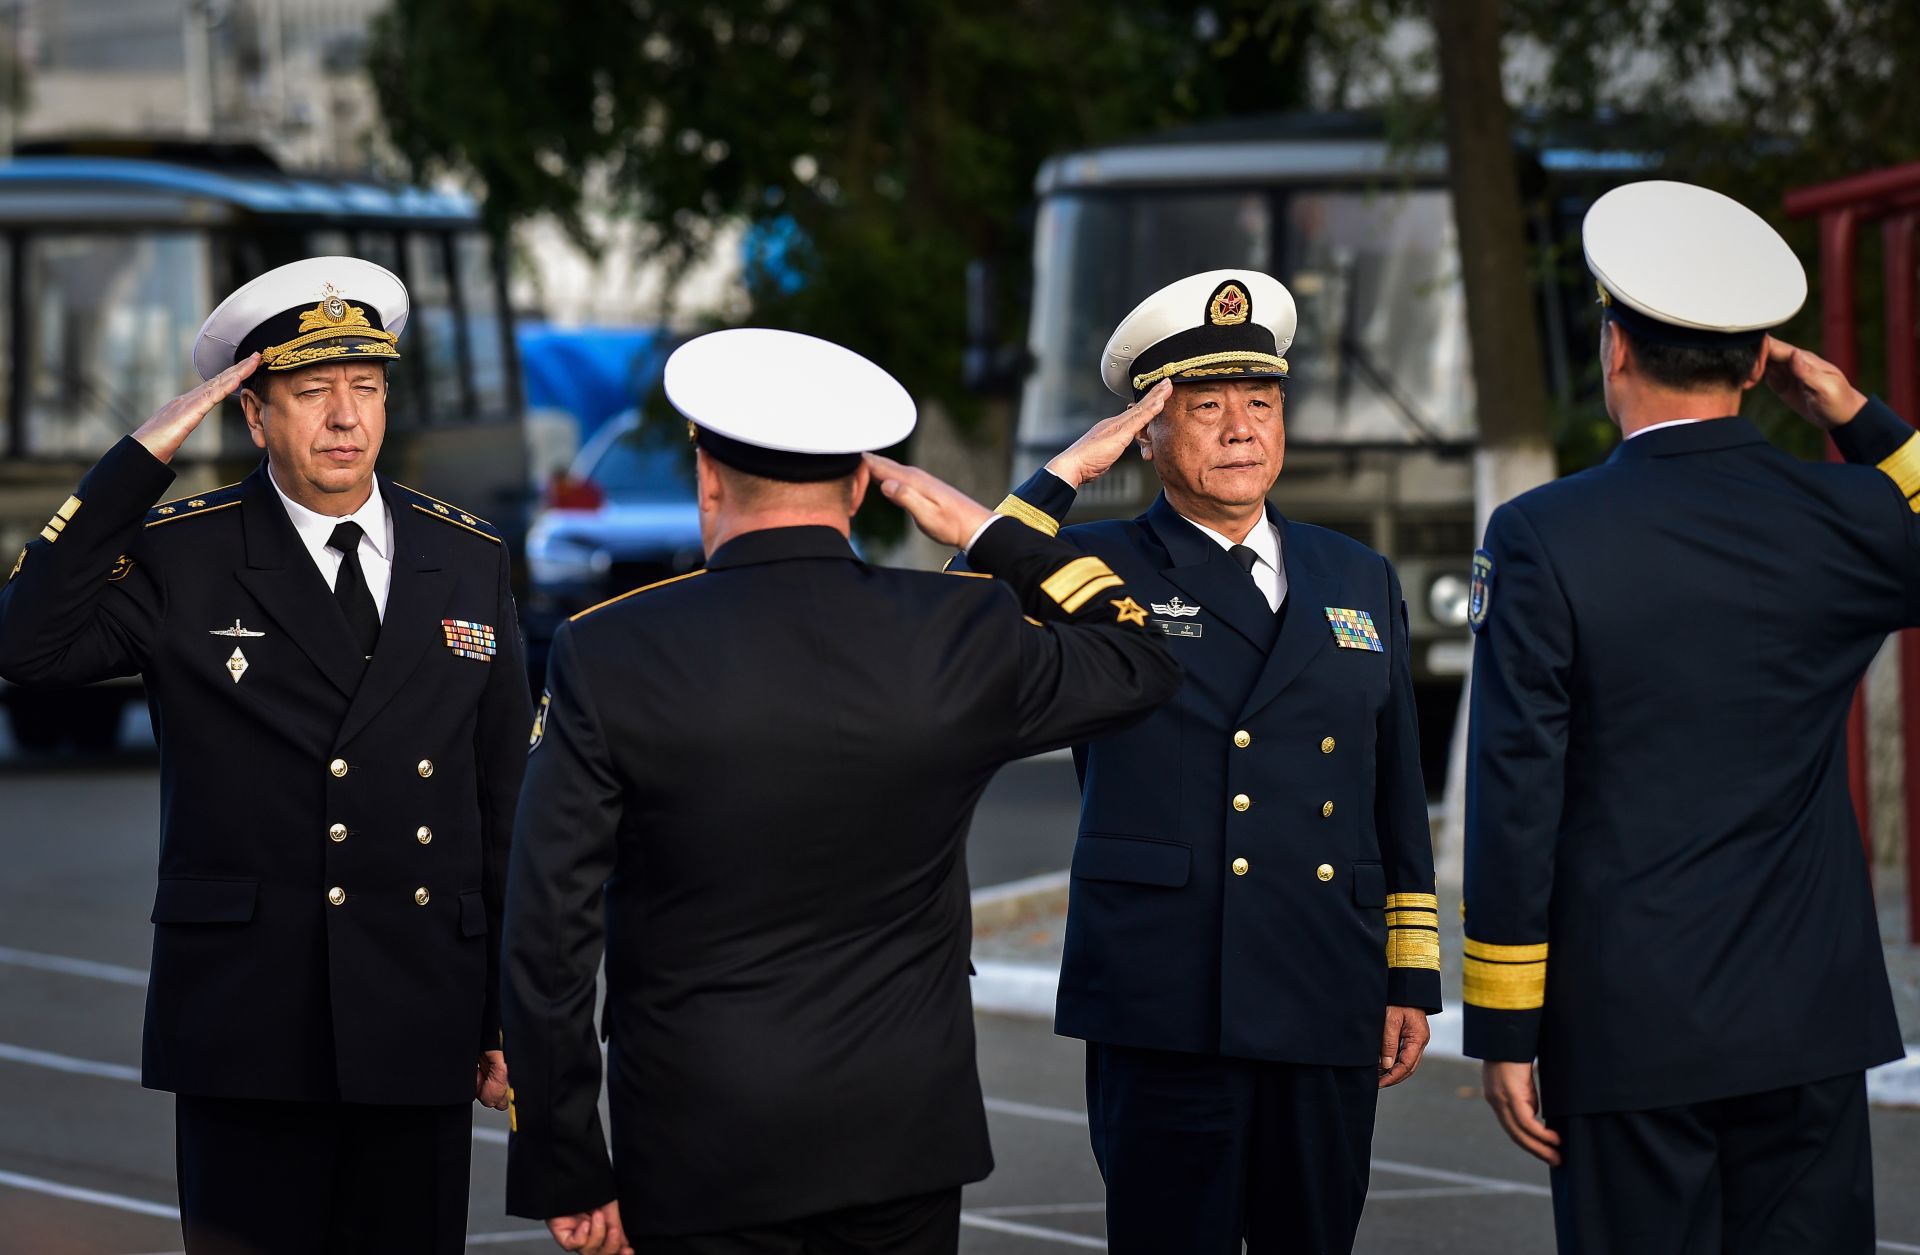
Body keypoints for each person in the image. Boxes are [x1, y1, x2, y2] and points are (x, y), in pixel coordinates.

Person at [499, 327, 1181, 1255]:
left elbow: (548, 932)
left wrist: (566, 1159)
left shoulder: (610, 650)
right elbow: (1141, 656)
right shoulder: (955, 630)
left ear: (707, 474)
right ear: (864, 485)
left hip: (700, 1140)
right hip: (902, 1133)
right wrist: (994, 529)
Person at [0, 257, 530, 1254]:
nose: (344, 418)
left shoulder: (466, 555)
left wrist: (503, 1012)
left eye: (365, 388)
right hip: (249, 1019)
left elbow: (503, 798)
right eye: (311, 392)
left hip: (418, 1007)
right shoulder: (185, 551)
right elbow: (25, 644)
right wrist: (138, 460)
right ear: (255, 416)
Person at [1462, 179, 1915, 1254]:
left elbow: (1516, 789)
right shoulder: (1846, 515)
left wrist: (1507, 1024)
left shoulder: (1543, 536)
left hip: (1632, 1027)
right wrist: (1857, 415)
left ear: (1614, 345)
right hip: (1809, 1018)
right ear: (1764, 362)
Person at [972, 270, 1441, 1254]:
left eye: (1261, 405)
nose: (1240, 429)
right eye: (1207, 408)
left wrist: (1409, 971)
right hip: (1169, 995)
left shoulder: (1355, 574)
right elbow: (956, 624)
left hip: (1326, 982)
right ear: (1145, 434)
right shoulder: (1101, 563)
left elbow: (1393, 786)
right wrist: (1061, 478)